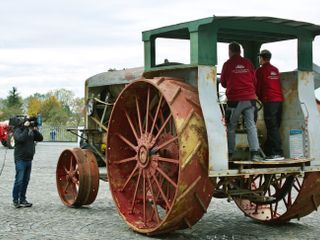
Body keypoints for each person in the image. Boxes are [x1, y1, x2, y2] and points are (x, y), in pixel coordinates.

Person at [220, 42, 263, 161]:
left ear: (230, 51)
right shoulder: (248, 63)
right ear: (240, 51)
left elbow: (223, 83)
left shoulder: (227, 64)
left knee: (232, 126)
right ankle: (255, 153)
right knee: (251, 126)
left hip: (235, 100)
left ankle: (230, 153)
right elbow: (254, 81)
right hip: (250, 100)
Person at [256, 49, 284, 160]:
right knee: (275, 127)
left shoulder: (260, 71)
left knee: (271, 127)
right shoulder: (275, 70)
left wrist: (257, 96)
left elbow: (257, 86)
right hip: (279, 101)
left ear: (262, 58)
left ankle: (276, 153)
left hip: (269, 101)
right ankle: (269, 150)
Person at [12, 119, 43, 208]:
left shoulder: (31, 131)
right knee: (19, 180)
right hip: (20, 159)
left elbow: (40, 138)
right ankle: (15, 200)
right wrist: (25, 128)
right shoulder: (17, 130)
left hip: (29, 159)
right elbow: (20, 139)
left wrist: (34, 129)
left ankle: (22, 199)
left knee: (25, 181)